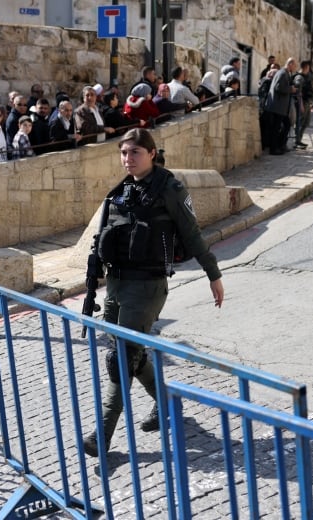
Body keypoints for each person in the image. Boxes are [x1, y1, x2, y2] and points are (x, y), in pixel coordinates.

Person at [82, 128, 225, 457]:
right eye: (123, 153)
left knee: (121, 359)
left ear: (152, 153)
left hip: (147, 288)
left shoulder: (170, 189)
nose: (127, 159)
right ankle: (166, 403)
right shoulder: (121, 190)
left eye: (134, 153)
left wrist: (213, 274)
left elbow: (192, 233)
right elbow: (102, 235)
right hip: (116, 286)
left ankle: (101, 435)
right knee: (131, 353)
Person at [263, 57, 297, 155]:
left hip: (280, 107)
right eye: (294, 65)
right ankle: (274, 149)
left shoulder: (284, 73)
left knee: (286, 125)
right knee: (276, 127)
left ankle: (280, 145)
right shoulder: (282, 73)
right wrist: (290, 89)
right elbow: (278, 87)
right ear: (290, 64)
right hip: (277, 106)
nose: (295, 68)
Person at [292, 60, 313, 149]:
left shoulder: (306, 77)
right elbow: (298, 93)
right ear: (306, 67)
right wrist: (301, 105)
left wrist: (311, 103)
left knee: (305, 123)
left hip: (307, 102)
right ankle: (296, 141)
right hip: (301, 103)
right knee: (300, 122)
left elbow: (309, 91)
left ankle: (299, 139)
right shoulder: (299, 78)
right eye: (309, 68)